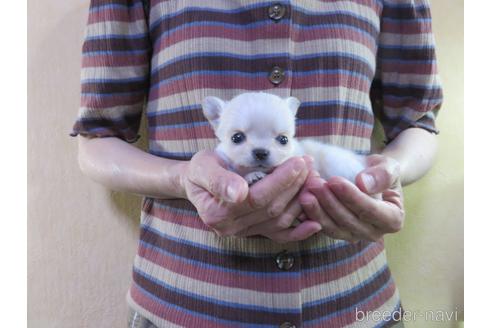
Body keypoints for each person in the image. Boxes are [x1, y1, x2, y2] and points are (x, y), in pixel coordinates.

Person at [71, 0, 442, 327]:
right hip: (185, 302)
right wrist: (180, 177)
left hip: (354, 301)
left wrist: (386, 173)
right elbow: (98, 140)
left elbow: (418, 122)